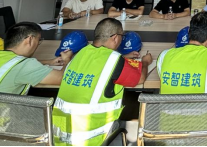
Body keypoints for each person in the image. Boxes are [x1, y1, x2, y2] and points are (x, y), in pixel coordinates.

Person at [52, 18, 152, 146]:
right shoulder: (114, 60)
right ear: (115, 38)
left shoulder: (80, 53)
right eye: (121, 37)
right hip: (91, 139)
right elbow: (140, 78)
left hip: (59, 137)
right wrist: (145, 62)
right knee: (134, 115)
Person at [0, 22, 72, 95]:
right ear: (29, 40)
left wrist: (48, 62)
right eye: (39, 40)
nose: (38, 44)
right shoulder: (26, 66)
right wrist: (67, 59)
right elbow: (65, 79)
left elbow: (11, 65)